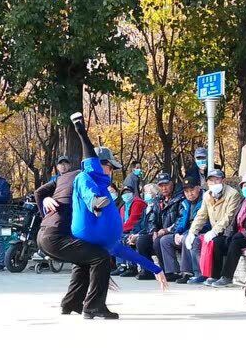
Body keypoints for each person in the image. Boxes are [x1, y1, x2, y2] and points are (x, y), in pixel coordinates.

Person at [36, 113, 166, 320]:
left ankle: (71, 303)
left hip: (52, 235)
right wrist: (93, 203)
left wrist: (155, 268)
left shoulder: (85, 181)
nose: (111, 171)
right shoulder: (85, 176)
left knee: (86, 261)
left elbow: (122, 250)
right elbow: (85, 178)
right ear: (100, 164)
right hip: (56, 234)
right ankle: (94, 307)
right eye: (110, 167)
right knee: (100, 258)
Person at [208, 172, 246, 287]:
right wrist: (229, 234)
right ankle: (215, 275)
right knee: (218, 241)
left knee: (235, 243)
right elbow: (234, 221)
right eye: (245, 185)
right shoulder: (243, 201)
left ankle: (227, 276)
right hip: (238, 234)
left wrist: (241, 234)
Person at [186, 169, 242, 286]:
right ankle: (201, 274)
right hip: (215, 230)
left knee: (216, 242)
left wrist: (214, 231)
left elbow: (229, 216)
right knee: (196, 240)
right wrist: (192, 232)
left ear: (223, 180)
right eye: (211, 181)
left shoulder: (232, 194)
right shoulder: (207, 195)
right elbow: (201, 215)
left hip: (228, 231)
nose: (214, 183)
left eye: (217, 180)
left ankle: (216, 275)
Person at [136, 172, 184, 281]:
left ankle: (168, 271)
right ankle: (147, 270)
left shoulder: (180, 198)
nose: (164, 188)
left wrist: (167, 230)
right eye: (161, 186)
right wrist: (153, 230)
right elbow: (152, 218)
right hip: (159, 232)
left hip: (173, 232)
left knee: (159, 241)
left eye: (166, 185)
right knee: (142, 241)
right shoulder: (158, 200)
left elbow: (181, 219)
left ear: (172, 184)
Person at [158, 176, 207, 283]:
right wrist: (177, 233)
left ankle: (187, 272)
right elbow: (181, 220)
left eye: (192, 190)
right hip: (186, 231)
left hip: (201, 232)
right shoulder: (185, 202)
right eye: (186, 191)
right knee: (164, 240)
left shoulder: (205, 200)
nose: (190, 194)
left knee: (186, 238)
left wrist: (184, 233)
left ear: (198, 188)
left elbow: (203, 223)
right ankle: (173, 272)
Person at [111, 186, 147, 277]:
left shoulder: (137, 203)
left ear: (133, 193)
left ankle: (131, 267)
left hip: (135, 229)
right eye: (123, 193)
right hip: (126, 229)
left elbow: (133, 220)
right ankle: (121, 266)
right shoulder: (123, 206)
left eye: (128, 192)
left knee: (122, 238)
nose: (126, 194)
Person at [135, 184, 163, 280]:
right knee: (127, 238)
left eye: (149, 192)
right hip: (147, 232)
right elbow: (140, 224)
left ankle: (148, 270)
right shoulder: (146, 207)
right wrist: (134, 233)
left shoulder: (156, 205)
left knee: (141, 241)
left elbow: (152, 224)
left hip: (154, 232)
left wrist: (138, 235)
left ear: (155, 194)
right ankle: (132, 267)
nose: (146, 194)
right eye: (145, 192)